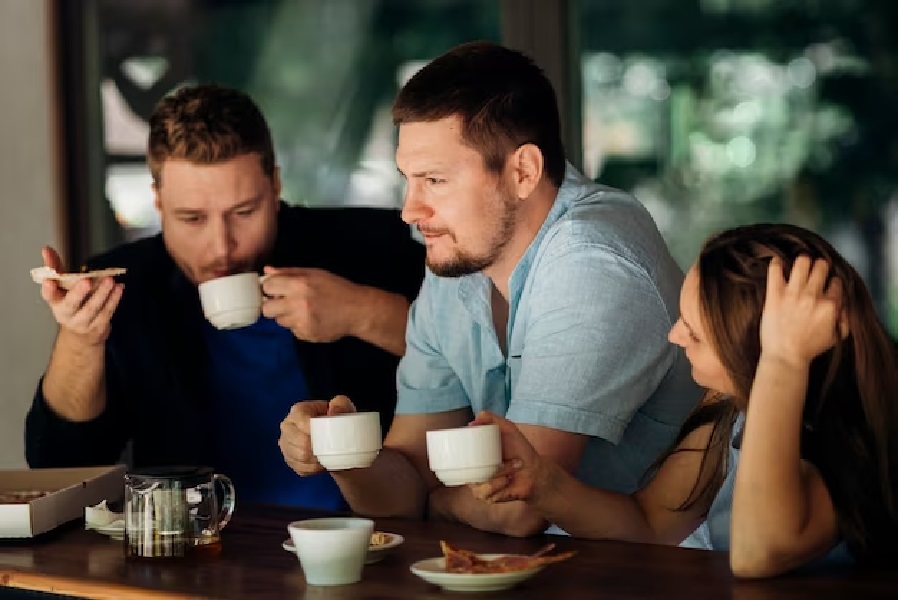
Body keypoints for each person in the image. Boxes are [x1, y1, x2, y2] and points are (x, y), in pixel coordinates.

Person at [278, 41, 701, 536]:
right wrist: (345, 456)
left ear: (523, 172)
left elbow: (521, 507)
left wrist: (438, 504)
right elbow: (408, 483)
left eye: (435, 180)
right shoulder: (460, 259)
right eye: (408, 180)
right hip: (550, 569)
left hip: (680, 572)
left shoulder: (592, 264)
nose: (410, 211)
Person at [25, 84, 425, 510]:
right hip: (195, 553)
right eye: (192, 218)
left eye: (243, 212)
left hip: (377, 539)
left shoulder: (377, 247)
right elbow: (58, 465)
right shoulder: (128, 285)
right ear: (158, 203)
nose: (222, 246)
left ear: (275, 185)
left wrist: (363, 313)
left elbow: (482, 369)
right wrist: (80, 341)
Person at [470, 223, 898, 577]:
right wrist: (541, 482)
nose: (675, 336)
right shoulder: (730, 406)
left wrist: (783, 359)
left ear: (754, 352)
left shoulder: (844, 442)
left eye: (693, 330)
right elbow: (651, 524)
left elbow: (757, 553)